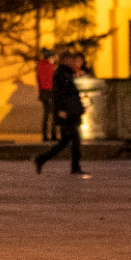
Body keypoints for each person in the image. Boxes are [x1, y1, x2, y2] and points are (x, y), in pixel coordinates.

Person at [34, 50, 88, 178]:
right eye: (71, 59)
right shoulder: (61, 73)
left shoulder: (66, 73)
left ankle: (42, 159)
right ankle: (75, 167)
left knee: (65, 142)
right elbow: (58, 93)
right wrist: (61, 109)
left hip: (70, 111)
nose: (73, 61)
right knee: (74, 140)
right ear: (65, 60)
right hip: (67, 113)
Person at [37, 49, 57, 140]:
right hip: (49, 92)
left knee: (46, 114)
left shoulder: (40, 65)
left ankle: (45, 135)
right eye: (53, 57)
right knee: (53, 114)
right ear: (50, 57)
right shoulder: (49, 66)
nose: (54, 59)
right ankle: (53, 134)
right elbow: (52, 80)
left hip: (43, 92)